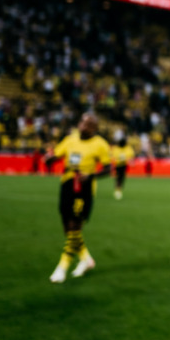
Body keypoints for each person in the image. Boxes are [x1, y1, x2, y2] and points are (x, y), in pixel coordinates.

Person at [45, 112, 111, 283]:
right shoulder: (70, 140)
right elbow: (56, 155)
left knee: (75, 225)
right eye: (82, 121)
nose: (83, 125)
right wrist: (49, 159)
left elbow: (108, 168)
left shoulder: (100, 144)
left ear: (94, 128)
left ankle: (62, 267)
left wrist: (90, 176)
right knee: (67, 228)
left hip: (84, 188)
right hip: (67, 184)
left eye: (88, 124)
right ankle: (86, 259)